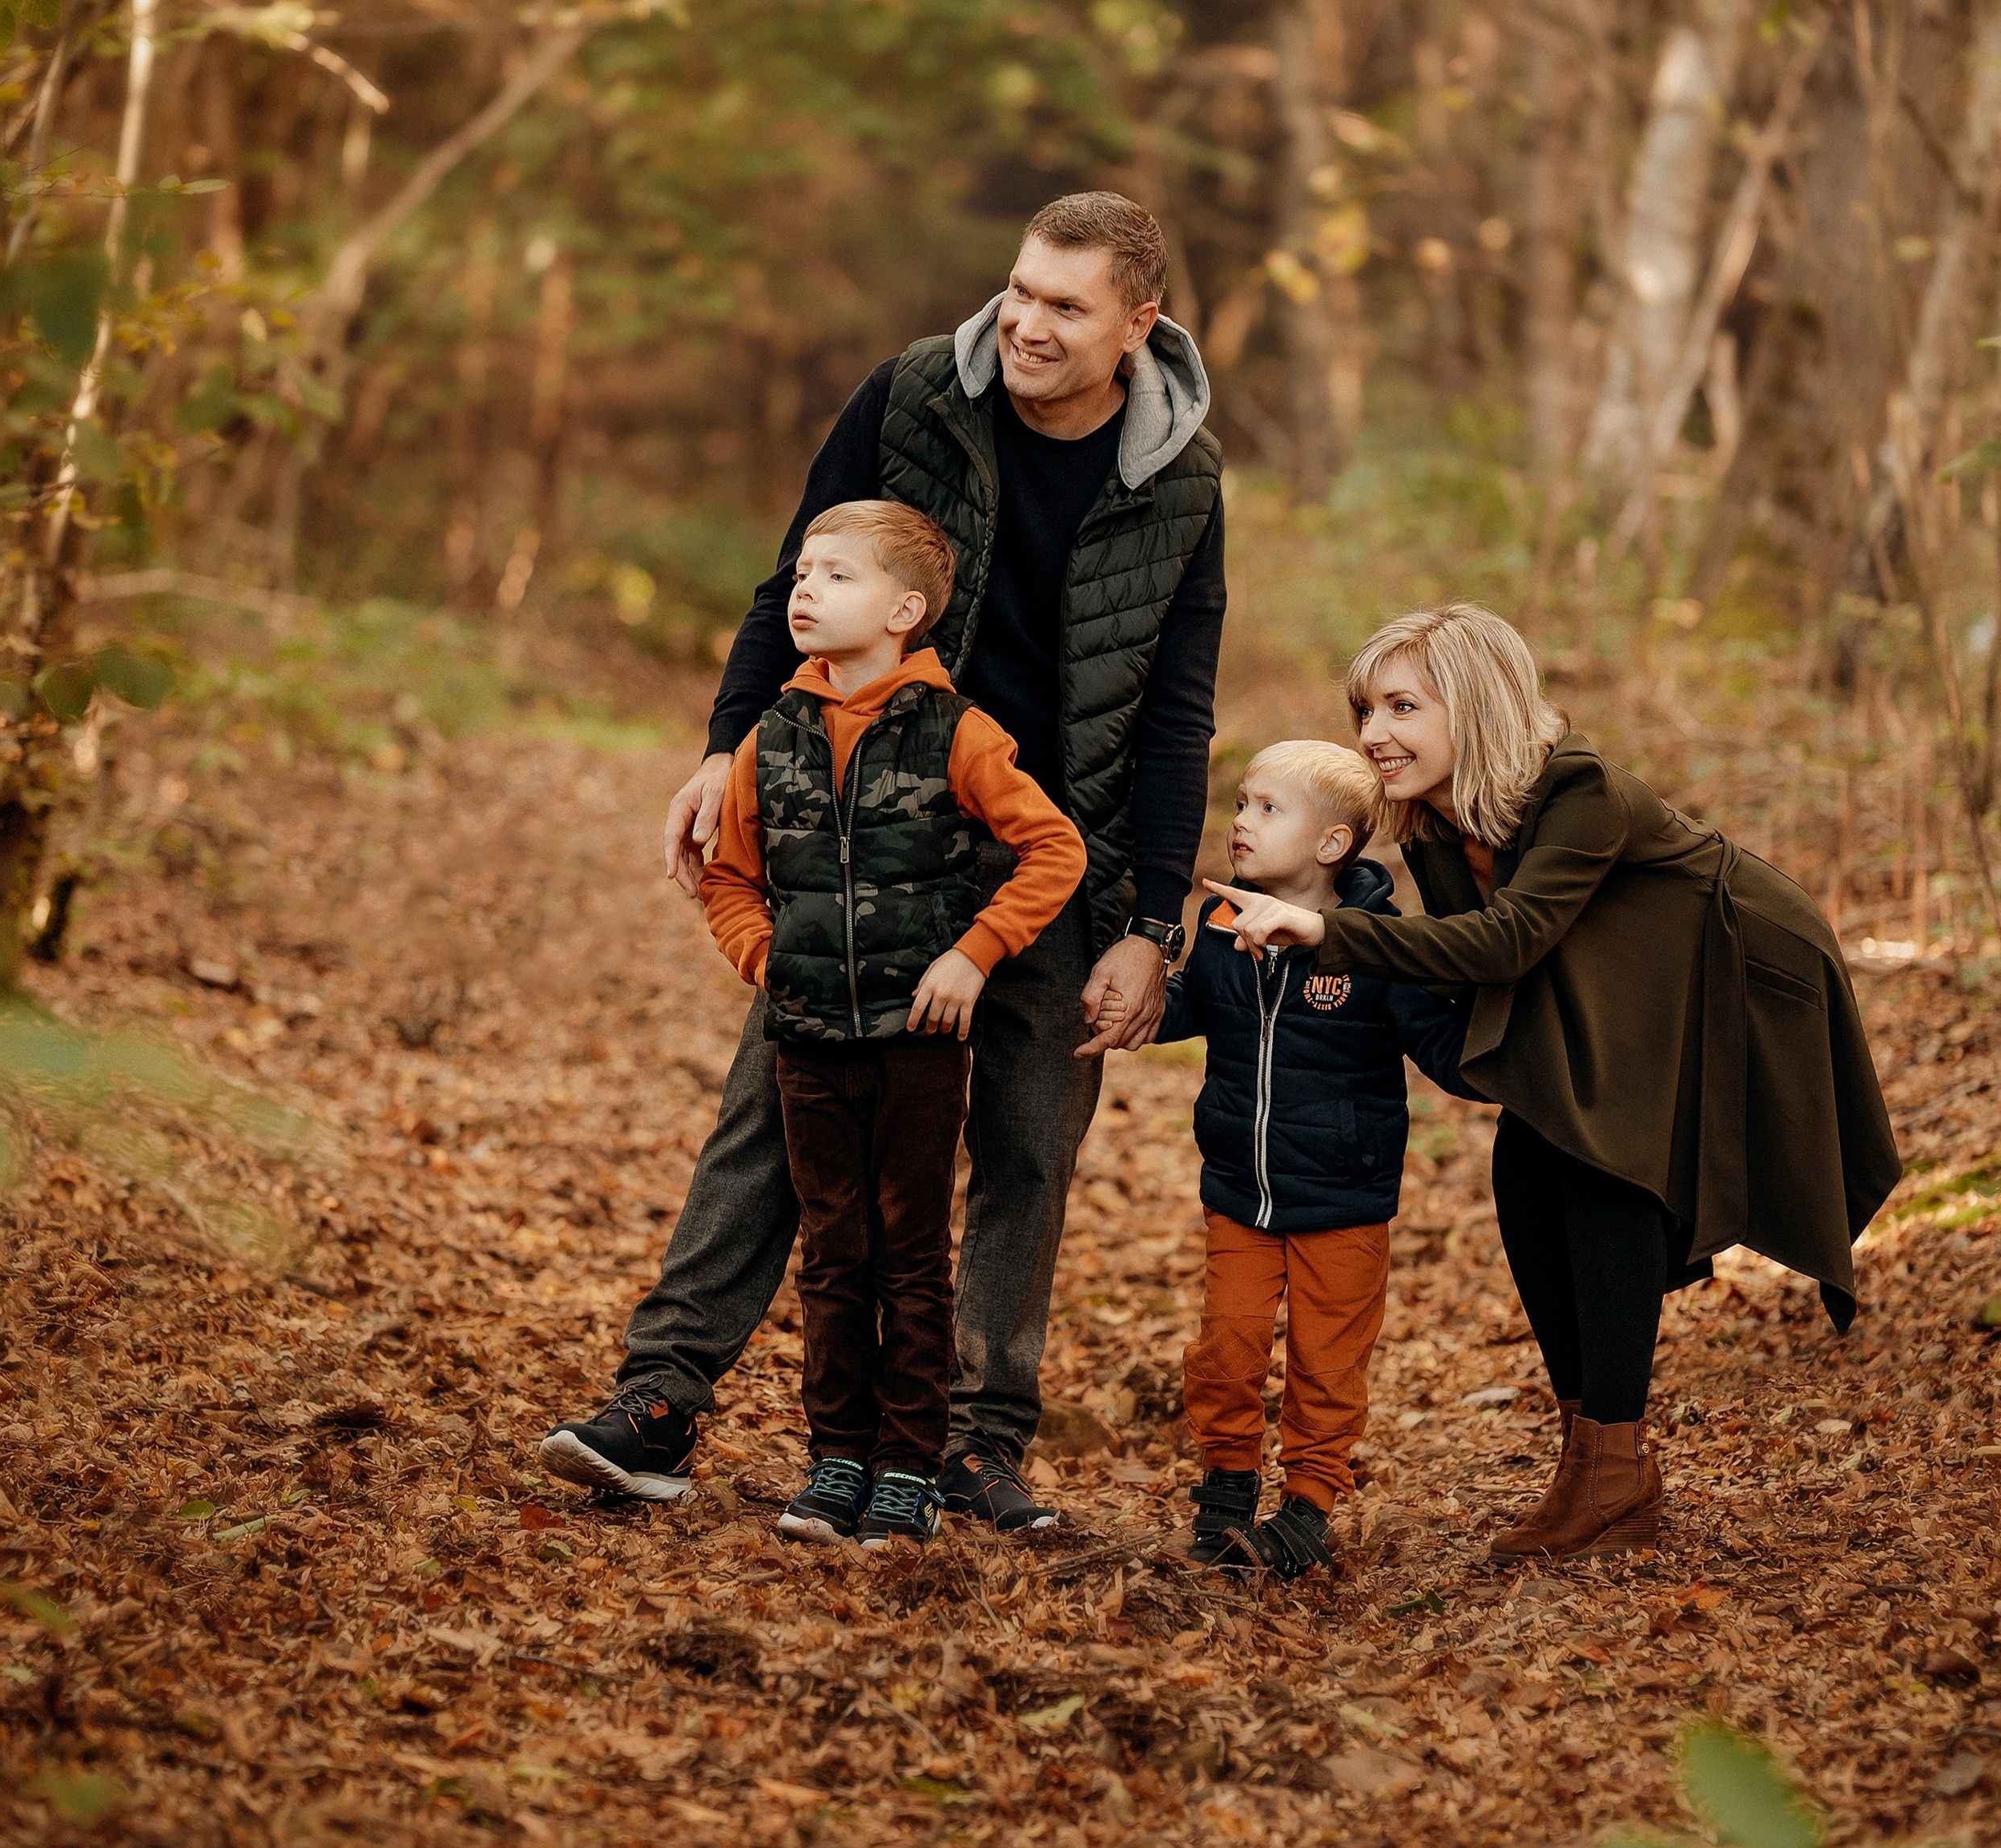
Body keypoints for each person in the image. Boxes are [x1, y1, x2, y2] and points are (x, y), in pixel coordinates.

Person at [540, 191, 1226, 1531]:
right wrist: (729, 749)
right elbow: (786, 581)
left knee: (1028, 1142)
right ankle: (662, 1401)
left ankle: (970, 1444)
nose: (1024, 322)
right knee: (779, 1117)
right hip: (860, 826)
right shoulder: (913, 395)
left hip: (1048, 847)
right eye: (1020, 288)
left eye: (1065, 305)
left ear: (1137, 326)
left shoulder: (1184, 480)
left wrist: (1151, 918)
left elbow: (1177, 707)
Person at [1206, 603, 1901, 1563]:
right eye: (1366, 708)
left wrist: (1327, 932)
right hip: (1614, 985)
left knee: (1600, 1163)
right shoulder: (1436, 825)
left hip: (1731, 966)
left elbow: (1509, 940)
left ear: (1475, 703)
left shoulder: (1579, 790)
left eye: (1402, 705)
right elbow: (1474, 972)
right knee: (1526, 1167)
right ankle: (1596, 1460)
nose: (1373, 733)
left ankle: (1614, 1468)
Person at [690, 500, 1082, 1547]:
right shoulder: (770, 736)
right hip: (808, 1040)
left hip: (918, 1040)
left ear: (905, 610)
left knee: (908, 1253)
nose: (804, 593)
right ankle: (835, 1463)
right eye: (801, 576)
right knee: (831, 1253)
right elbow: (728, 877)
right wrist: (771, 962)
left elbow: (1054, 852)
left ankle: (908, 1468)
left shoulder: (959, 733)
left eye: (834, 577)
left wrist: (973, 954)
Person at [1157, 741, 1472, 1580]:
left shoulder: (1376, 945)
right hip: (1240, 1190)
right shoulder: (1221, 923)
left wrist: (1514, 1053)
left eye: (1268, 808)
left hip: (1345, 1197)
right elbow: (1191, 1003)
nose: (1241, 823)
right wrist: (1139, 1005)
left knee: (1326, 1363)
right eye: (1241, 805)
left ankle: (1307, 1507)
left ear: (1332, 844)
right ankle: (1225, 1486)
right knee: (1225, 1347)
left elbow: (1441, 1046)